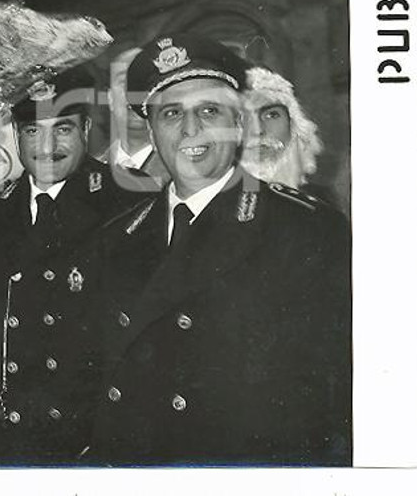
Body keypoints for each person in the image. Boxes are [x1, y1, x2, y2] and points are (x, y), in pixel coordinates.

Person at [83, 33, 352, 466]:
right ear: (151, 130)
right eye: (171, 113)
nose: (190, 130)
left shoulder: (307, 229)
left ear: (239, 123)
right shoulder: (116, 239)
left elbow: (333, 402)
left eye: (209, 111)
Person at [0, 65, 143, 467]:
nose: (47, 146)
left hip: (97, 440)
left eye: (62, 129)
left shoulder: (127, 199)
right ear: (16, 135)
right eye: (32, 131)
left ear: (86, 131)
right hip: (17, 434)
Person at [241, 65, 329, 197]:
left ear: (293, 125)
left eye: (272, 115)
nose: (258, 130)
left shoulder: (322, 201)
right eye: (244, 118)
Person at [95, 45, 169, 191]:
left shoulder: (183, 169)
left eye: (144, 80)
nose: (132, 92)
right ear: (110, 98)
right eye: (123, 82)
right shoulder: (88, 174)